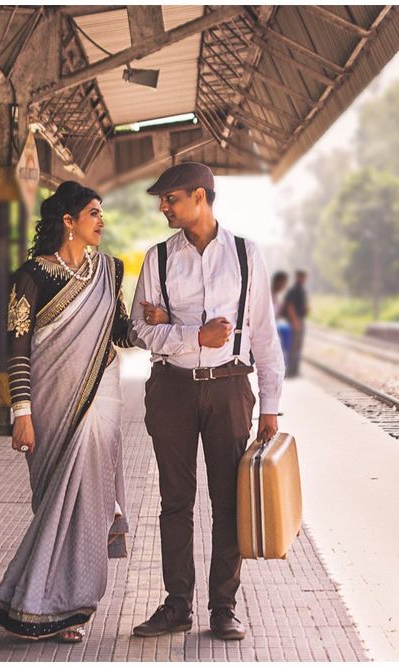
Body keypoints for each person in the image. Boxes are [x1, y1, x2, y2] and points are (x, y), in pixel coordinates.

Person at [0, 181, 143, 643]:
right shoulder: (29, 276)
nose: (101, 221)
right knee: (53, 499)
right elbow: (16, 348)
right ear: (68, 222)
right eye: (93, 212)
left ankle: (70, 607)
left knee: (89, 505)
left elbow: (122, 332)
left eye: (102, 212)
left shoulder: (110, 271)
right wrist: (21, 412)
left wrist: (168, 329)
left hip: (101, 404)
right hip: (49, 409)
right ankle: (36, 601)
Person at [129, 162, 284, 642]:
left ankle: (223, 607)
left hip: (230, 387)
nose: (162, 207)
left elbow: (262, 333)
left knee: (227, 501)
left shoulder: (244, 254)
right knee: (175, 501)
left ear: (200, 196)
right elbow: (138, 329)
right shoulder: (157, 259)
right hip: (171, 388)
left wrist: (271, 406)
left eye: (170, 198)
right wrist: (190, 333)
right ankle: (177, 605)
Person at [283, 270, 309, 377]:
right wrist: (295, 321)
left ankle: (295, 370)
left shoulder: (302, 290)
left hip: (300, 319)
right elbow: (290, 306)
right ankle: (291, 371)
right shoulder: (294, 290)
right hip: (295, 320)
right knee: (293, 346)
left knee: (298, 346)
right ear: (298, 277)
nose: (304, 279)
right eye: (302, 277)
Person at [270, 271, 292, 370]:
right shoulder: (268, 294)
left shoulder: (277, 296)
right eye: (283, 283)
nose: (284, 286)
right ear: (277, 281)